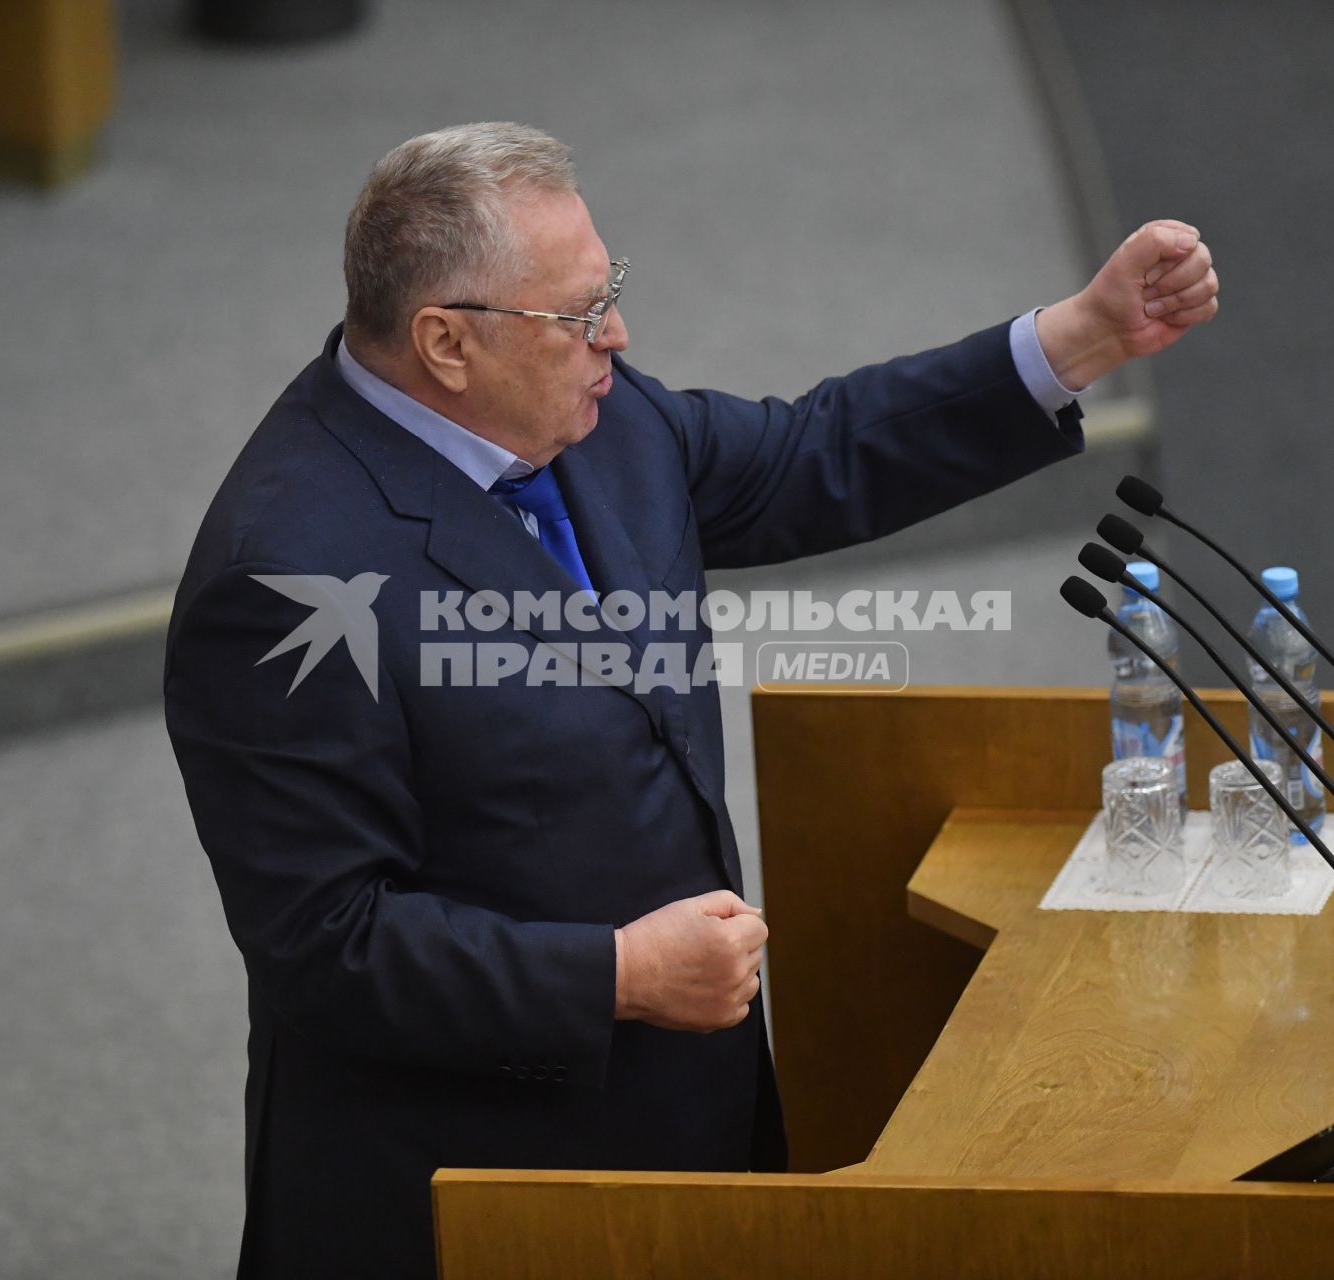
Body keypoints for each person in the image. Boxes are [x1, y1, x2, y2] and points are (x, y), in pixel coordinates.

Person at [163, 122, 1216, 1278]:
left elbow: (802, 453)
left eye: (607, 289)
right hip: (473, 1187)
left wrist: (1081, 338)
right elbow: (329, 943)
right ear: (445, 342)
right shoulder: (283, 574)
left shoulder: (591, 419)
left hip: (684, 1119)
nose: (615, 333)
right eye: (577, 313)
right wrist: (617, 973)